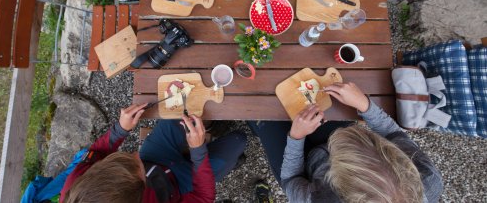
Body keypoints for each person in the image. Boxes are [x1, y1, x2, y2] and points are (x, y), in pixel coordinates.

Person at [250, 82, 443, 203]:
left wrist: (296, 138)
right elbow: (393, 134)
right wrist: (365, 106)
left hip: (300, 169)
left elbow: (291, 180)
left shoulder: (321, 200)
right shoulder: (427, 179)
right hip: (317, 155)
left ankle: (255, 128)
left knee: (257, 110)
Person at [60, 102, 247, 202]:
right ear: (142, 192)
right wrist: (198, 152)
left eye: (131, 156)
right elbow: (203, 197)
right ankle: (213, 153)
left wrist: (120, 129)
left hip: (157, 156)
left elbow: (97, 151)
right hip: (181, 187)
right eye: (139, 166)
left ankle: (210, 126)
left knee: (180, 104)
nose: (136, 154)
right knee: (240, 139)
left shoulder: (78, 186)